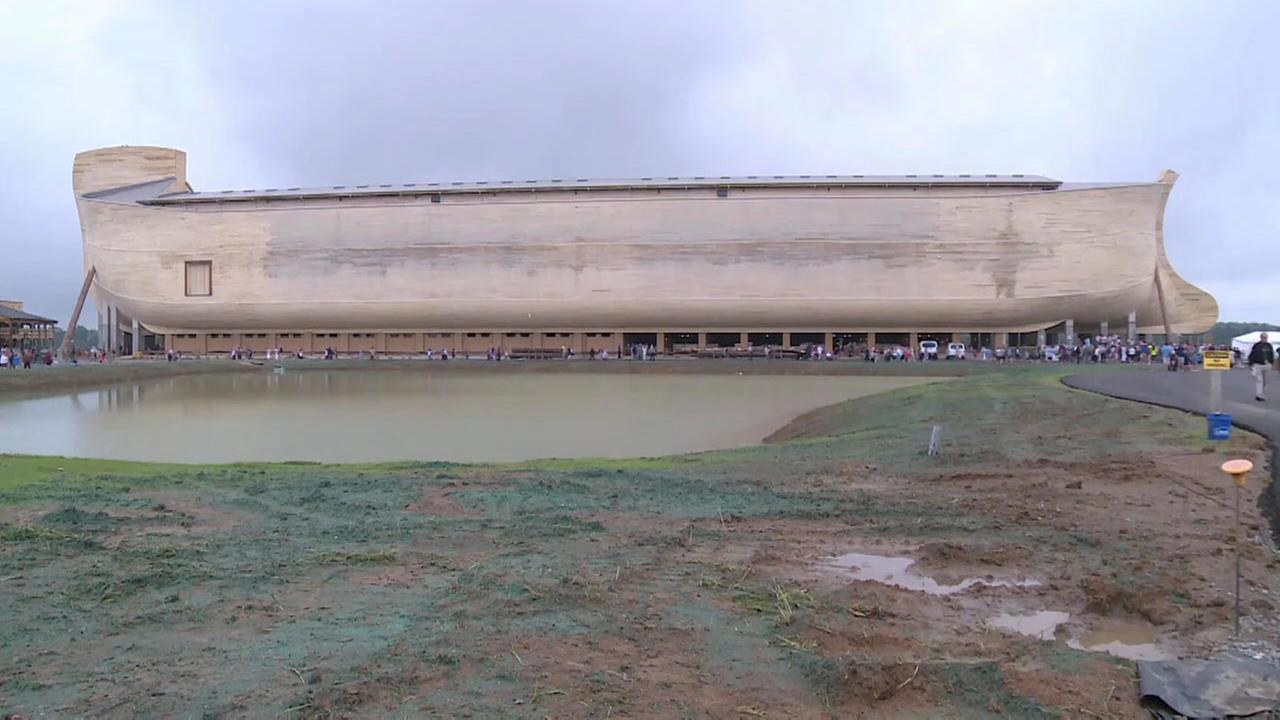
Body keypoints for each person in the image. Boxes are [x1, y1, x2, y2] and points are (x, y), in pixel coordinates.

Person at [1248, 332, 1275, 401]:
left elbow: (1271, 354)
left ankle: (1262, 393)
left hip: (1267, 365)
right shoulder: (1256, 345)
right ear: (1261, 338)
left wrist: (1271, 362)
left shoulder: (1269, 345)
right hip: (1258, 364)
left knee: (1265, 381)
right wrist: (1251, 363)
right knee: (1259, 380)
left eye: (1265, 337)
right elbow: (1252, 354)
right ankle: (1259, 395)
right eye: (1263, 337)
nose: (1264, 338)